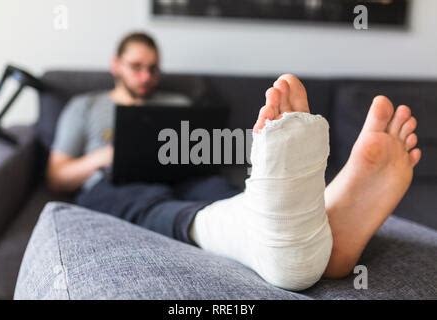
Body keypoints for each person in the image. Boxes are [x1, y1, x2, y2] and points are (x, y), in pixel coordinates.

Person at [47, 32, 421, 291]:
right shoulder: (85, 107)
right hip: (116, 181)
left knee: (215, 188)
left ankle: (284, 222)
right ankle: (286, 230)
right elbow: (58, 176)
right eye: (136, 66)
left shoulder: (176, 105)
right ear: (116, 64)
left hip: (185, 174)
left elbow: (205, 153)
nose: (146, 76)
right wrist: (105, 156)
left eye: (153, 68)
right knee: (144, 201)